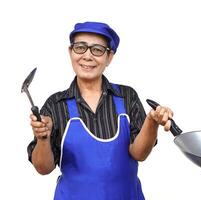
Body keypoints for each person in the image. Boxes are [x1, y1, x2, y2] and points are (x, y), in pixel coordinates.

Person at [27, 21, 173, 200]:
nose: (87, 56)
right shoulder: (56, 105)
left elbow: (139, 154)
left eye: (97, 50)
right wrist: (43, 138)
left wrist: (152, 121)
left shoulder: (127, 97)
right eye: (80, 47)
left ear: (109, 57)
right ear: (70, 52)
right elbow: (43, 168)